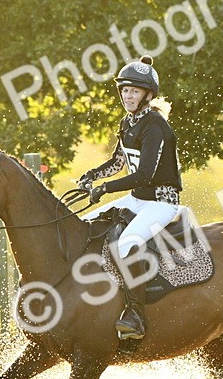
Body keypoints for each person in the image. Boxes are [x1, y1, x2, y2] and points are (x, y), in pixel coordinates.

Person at [78, 55, 183, 341]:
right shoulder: (128, 122)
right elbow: (117, 162)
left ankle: (135, 314)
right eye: (124, 90)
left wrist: (106, 189)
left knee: (125, 245)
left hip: (161, 202)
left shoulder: (155, 127)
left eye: (134, 91)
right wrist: (92, 176)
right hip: (137, 200)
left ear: (147, 95)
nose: (127, 95)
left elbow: (145, 176)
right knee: (84, 225)